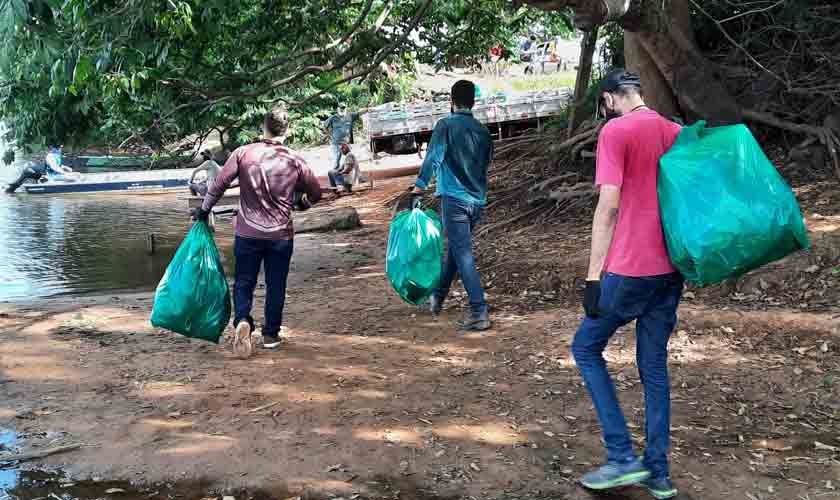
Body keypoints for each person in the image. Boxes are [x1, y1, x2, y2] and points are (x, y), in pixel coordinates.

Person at [570, 69, 683, 500]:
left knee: (585, 348)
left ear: (609, 99)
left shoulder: (616, 131)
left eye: (603, 106)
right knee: (653, 368)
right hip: (669, 270)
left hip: (630, 267)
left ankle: (621, 457)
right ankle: (659, 473)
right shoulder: (672, 130)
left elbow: (609, 206)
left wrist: (593, 275)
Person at [193, 106, 322, 358]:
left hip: (247, 232)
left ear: (262, 127)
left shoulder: (243, 153)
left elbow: (218, 185)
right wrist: (301, 204)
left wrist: (204, 211)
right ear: (288, 130)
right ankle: (271, 335)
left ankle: (243, 320)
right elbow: (316, 193)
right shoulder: (294, 159)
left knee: (244, 282)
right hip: (280, 236)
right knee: (276, 284)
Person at [413, 80, 493, 331]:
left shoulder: (445, 125)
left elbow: (433, 157)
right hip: (477, 200)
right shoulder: (483, 130)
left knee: (463, 253)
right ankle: (439, 294)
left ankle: (479, 311)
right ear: (473, 101)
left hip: (455, 199)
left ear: (452, 100)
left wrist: (419, 187)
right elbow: (486, 163)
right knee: (458, 252)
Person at [322, 104, 363, 171]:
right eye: (340, 108)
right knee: (336, 163)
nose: (342, 109)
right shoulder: (333, 118)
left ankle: (358, 177)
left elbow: (359, 113)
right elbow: (324, 126)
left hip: (346, 144)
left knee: (352, 160)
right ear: (337, 109)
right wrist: (329, 135)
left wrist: (367, 109)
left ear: (346, 108)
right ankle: (338, 179)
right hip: (336, 144)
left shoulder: (350, 115)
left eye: (343, 108)